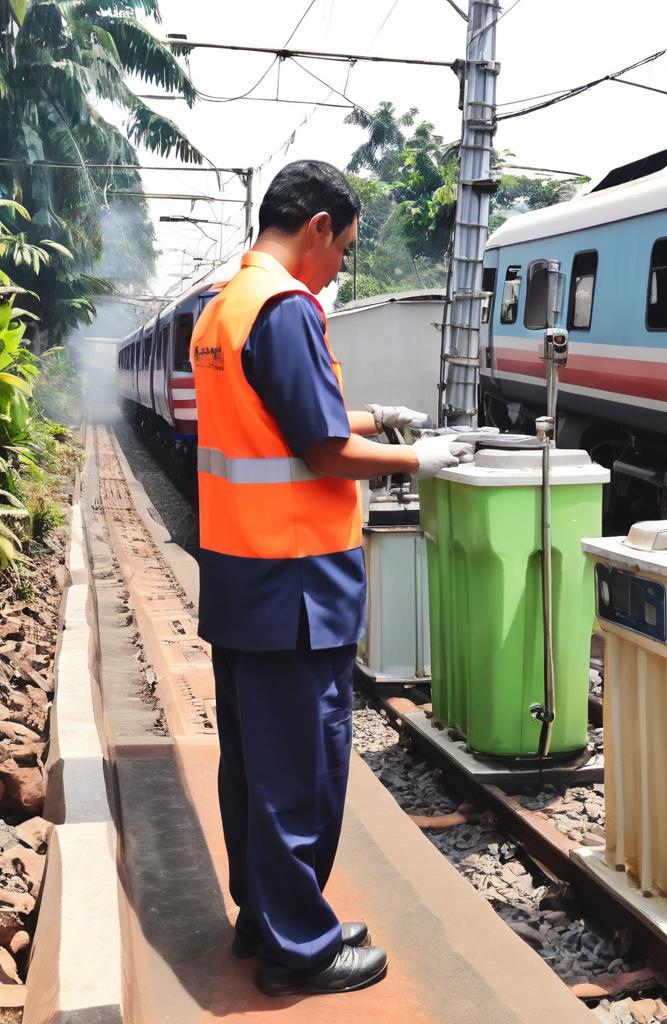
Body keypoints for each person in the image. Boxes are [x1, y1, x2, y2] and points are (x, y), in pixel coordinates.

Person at [189, 159, 469, 997]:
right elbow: (321, 450)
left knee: (253, 769)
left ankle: (270, 917)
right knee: (298, 774)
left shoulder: (225, 309)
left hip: (244, 577)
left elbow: (286, 419)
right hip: (295, 587)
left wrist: (378, 417)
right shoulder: (284, 310)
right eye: (344, 248)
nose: (342, 266)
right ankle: (299, 950)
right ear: (317, 227)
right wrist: (420, 458)